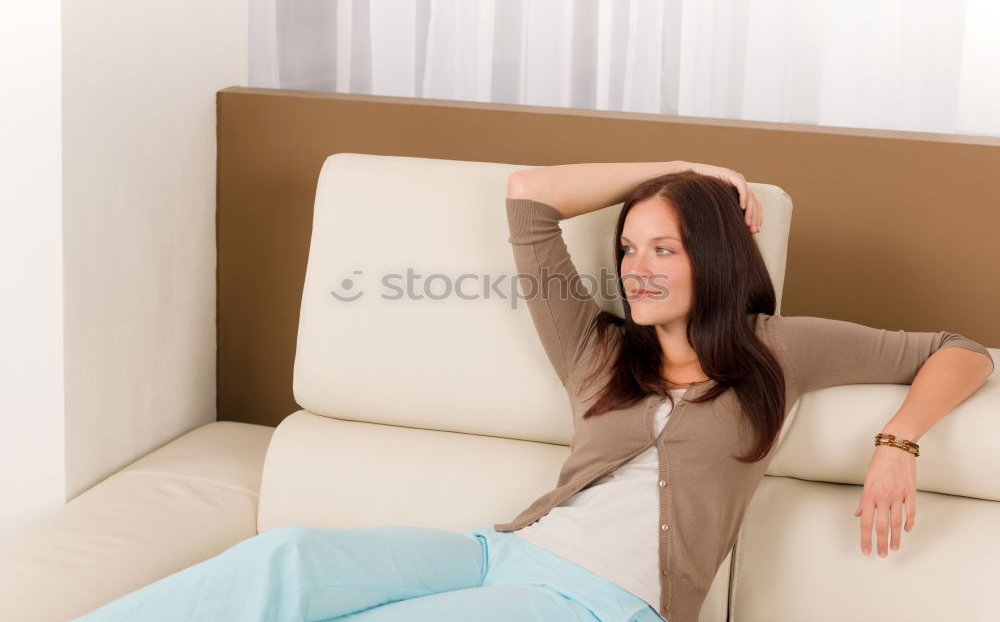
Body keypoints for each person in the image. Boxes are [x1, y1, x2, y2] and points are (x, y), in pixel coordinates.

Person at [72, 161, 993, 622]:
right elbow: (527, 197)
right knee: (288, 557)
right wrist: (685, 168)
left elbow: (959, 351)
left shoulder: (776, 350)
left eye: (665, 247)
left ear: (713, 257)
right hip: (498, 555)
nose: (636, 267)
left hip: (602, 602)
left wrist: (898, 441)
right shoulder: (595, 347)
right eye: (629, 249)